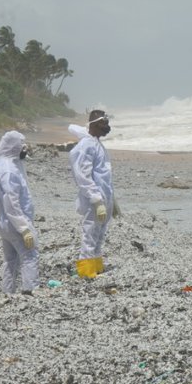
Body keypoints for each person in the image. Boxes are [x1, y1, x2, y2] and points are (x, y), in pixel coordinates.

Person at [69, 110, 118, 278]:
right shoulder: (85, 146)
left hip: (104, 197)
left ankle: (96, 267)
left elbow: (104, 175)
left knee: (99, 234)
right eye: (104, 123)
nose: (107, 127)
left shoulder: (97, 143)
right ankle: (86, 272)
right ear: (95, 124)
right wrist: (96, 200)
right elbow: (83, 176)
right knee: (90, 233)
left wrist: (113, 201)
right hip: (93, 199)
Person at [0, 130, 39, 294]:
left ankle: (7, 291)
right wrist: (24, 228)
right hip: (15, 223)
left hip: (3, 221)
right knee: (29, 256)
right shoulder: (9, 170)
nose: (25, 150)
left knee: (10, 260)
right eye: (22, 146)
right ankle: (30, 291)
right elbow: (11, 201)